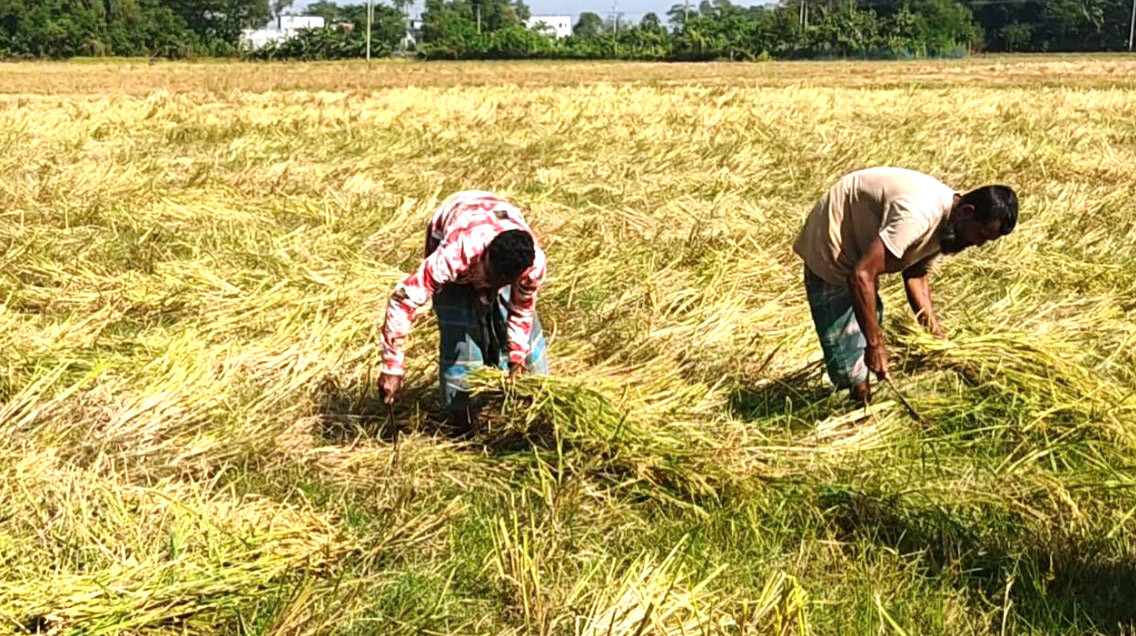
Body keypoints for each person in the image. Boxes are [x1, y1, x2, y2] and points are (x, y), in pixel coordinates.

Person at [792, 167, 1018, 403]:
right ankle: (859, 409)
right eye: (981, 234)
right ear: (967, 213)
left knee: (868, 320)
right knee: (848, 345)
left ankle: (862, 398)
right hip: (836, 235)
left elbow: (916, 277)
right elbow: (861, 276)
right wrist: (875, 345)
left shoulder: (951, 222)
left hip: (862, 244)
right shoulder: (918, 215)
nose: (979, 244)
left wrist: (939, 342)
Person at [378, 190, 549, 427]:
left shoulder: (532, 266)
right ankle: (462, 422)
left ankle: (524, 410)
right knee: (460, 340)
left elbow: (521, 311)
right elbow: (402, 300)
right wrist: (392, 366)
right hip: (456, 221)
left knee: (527, 349)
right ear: (485, 256)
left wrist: (517, 357)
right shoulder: (455, 254)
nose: (494, 287)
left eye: (503, 283)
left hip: (495, 221)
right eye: (491, 278)